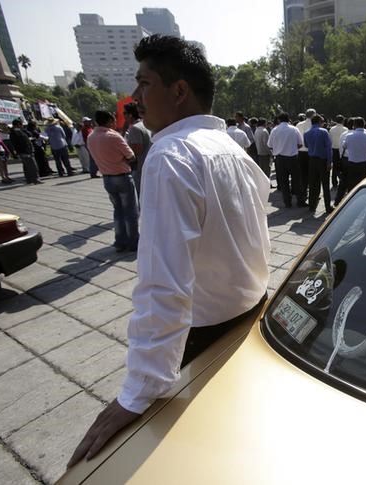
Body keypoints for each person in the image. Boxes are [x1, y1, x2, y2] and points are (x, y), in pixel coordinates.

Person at [69, 35, 270, 467]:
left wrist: (137, 393)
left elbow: (163, 284)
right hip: (251, 316)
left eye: (144, 84)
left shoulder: (171, 155)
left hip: (203, 336)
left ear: (179, 91)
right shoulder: (232, 149)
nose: (136, 97)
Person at [86, 110, 139, 252]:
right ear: (110, 121)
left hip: (107, 178)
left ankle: (120, 241)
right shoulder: (114, 136)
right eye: (114, 120)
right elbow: (131, 156)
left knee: (118, 211)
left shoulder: (91, 137)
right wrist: (122, 159)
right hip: (122, 176)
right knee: (130, 212)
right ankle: (134, 242)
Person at [268, 112, 305, 208]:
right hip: (292, 158)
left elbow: (270, 145)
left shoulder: (274, 130)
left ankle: (287, 202)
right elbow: (300, 144)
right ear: (288, 119)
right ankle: (300, 201)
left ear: (279, 120)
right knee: (297, 180)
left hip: (280, 159)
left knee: (284, 182)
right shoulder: (294, 129)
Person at [303, 114, 333, 214]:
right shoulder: (324, 132)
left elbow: (306, 145)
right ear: (319, 122)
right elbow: (328, 148)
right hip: (323, 160)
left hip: (312, 160)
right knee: (325, 184)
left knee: (313, 184)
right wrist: (329, 161)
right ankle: (327, 206)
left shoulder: (306, 132)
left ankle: (312, 205)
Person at [341, 117, 366, 196]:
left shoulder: (349, 136)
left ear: (354, 125)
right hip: (365, 164)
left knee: (352, 186)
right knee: (364, 185)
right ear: (363, 125)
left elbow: (344, 146)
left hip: (352, 164)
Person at [123, 102, 152, 197]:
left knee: (140, 196)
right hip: (147, 165)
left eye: (124, 113)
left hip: (139, 168)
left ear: (130, 115)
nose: (123, 116)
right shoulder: (145, 124)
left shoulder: (135, 128)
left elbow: (137, 151)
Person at [9, 119, 41, 184]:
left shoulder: (17, 131)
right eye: (21, 124)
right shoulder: (16, 132)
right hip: (25, 151)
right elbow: (22, 142)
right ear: (18, 125)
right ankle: (35, 179)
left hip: (23, 151)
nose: (22, 125)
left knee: (26, 166)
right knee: (32, 166)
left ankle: (29, 179)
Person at [296, 108, 315, 202]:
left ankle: (303, 194)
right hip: (311, 152)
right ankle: (312, 194)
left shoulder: (299, 124)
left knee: (302, 175)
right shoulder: (315, 125)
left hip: (300, 152)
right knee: (312, 175)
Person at [328, 114, 347, 188]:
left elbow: (330, 140)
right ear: (343, 121)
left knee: (335, 166)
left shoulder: (332, 129)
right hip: (342, 149)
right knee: (342, 166)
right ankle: (342, 180)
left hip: (334, 149)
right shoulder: (345, 129)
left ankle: (334, 182)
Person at [253, 118, 272, 182]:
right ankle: (267, 183)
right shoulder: (264, 131)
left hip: (259, 152)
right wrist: (270, 153)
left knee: (262, 169)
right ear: (264, 123)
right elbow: (266, 144)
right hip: (265, 153)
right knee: (267, 170)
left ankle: (263, 183)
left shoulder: (257, 130)